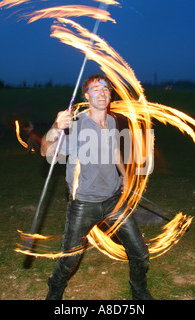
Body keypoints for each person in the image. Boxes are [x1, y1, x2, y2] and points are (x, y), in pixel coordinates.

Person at [40, 74, 153, 300]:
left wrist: (124, 174)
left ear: (110, 94)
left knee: (140, 252)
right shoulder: (77, 124)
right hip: (83, 203)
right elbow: (46, 152)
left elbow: (113, 150)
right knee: (69, 260)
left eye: (105, 89)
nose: (101, 92)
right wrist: (55, 127)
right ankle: (55, 287)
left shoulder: (111, 121)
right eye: (95, 89)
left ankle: (138, 289)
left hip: (113, 200)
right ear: (86, 95)